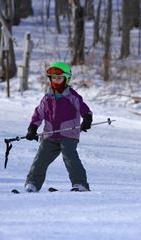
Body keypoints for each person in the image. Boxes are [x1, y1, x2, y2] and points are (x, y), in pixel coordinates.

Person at [24, 61, 92, 192]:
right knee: (41, 158)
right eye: (53, 78)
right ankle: (32, 183)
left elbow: (84, 109)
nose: (56, 80)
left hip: (68, 135)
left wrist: (87, 119)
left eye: (59, 78)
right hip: (50, 135)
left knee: (69, 156)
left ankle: (80, 184)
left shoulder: (72, 96)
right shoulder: (47, 97)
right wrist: (32, 128)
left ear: (66, 79)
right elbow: (38, 114)